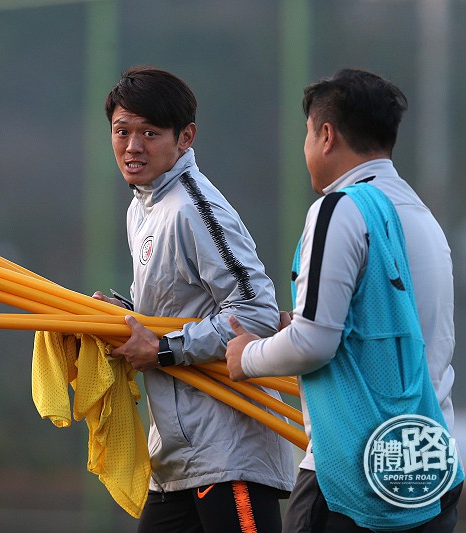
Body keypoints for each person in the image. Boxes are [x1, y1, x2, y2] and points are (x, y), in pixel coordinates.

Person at [225, 68, 465, 532]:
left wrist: (246, 356)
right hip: (429, 466)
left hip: (351, 474)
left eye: (307, 136)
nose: (306, 150)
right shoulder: (423, 217)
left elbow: (315, 343)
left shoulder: (340, 209)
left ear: (327, 135)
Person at [92, 65, 295, 532]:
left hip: (229, 453)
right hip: (176, 459)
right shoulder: (141, 208)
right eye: (122, 131)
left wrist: (161, 349)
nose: (132, 146)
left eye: (150, 132)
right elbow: (178, 308)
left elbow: (256, 312)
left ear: (185, 138)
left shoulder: (193, 207)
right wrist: (122, 317)